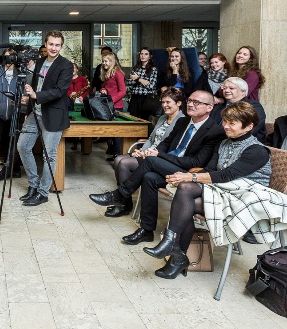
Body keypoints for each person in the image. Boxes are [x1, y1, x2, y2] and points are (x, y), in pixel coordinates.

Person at [143, 102, 287, 279]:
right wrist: (183, 176)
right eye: (225, 121)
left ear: (249, 127)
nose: (225, 126)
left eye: (232, 123)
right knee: (186, 195)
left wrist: (189, 177)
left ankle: (174, 250)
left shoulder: (256, 150)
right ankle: (175, 251)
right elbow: (211, 170)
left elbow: (227, 175)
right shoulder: (224, 143)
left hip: (244, 200)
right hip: (223, 192)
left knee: (186, 191)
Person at [89, 90, 226, 244]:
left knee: (151, 162)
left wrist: (158, 155)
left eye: (197, 102)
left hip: (188, 173)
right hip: (169, 165)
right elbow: (166, 143)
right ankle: (146, 230)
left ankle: (121, 194)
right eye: (190, 100)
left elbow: (195, 163)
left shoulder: (215, 131)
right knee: (149, 177)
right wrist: (156, 151)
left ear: (209, 108)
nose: (191, 104)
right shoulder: (183, 122)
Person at [101, 89, 185, 218]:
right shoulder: (162, 118)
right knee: (118, 159)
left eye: (168, 102)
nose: (164, 105)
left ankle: (123, 203)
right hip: (147, 152)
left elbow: (174, 147)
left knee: (124, 163)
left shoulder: (182, 121)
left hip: (160, 158)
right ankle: (124, 202)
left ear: (178, 103)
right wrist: (142, 151)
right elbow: (151, 138)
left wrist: (149, 153)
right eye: (163, 102)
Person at [17, 31, 74, 206]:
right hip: (36, 112)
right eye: (51, 44)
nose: (54, 48)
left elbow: (59, 90)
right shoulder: (40, 62)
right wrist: (29, 101)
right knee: (23, 146)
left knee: (48, 155)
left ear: (61, 46)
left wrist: (36, 95)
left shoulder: (66, 65)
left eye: (57, 45)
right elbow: (35, 87)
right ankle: (33, 185)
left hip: (54, 114)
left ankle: (43, 192)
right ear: (46, 44)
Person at [0, 48, 21, 176]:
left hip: (14, 115)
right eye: (6, 56)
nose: (9, 59)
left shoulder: (19, 74)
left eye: (11, 57)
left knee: (11, 141)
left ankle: (11, 167)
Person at [210, 77, 267, 142]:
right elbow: (209, 126)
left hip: (246, 145)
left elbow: (250, 130)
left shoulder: (253, 106)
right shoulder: (218, 107)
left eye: (231, 88)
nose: (226, 90)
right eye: (224, 88)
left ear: (243, 92)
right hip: (215, 142)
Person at [100, 52, 127, 160]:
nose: (103, 63)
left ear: (111, 61)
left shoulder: (118, 73)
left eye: (105, 61)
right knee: (110, 131)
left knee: (116, 132)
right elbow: (108, 88)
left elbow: (123, 91)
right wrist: (103, 90)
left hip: (116, 106)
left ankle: (117, 155)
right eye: (103, 61)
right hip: (108, 105)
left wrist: (112, 100)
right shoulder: (107, 73)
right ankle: (114, 152)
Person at [127, 47, 158, 120]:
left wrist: (137, 78)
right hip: (135, 98)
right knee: (133, 120)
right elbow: (129, 82)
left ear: (150, 56)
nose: (143, 56)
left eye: (146, 54)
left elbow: (151, 85)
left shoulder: (153, 69)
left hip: (146, 98)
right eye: (141, 54)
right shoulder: (136, 68)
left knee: (145, 120)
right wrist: (142, 81)